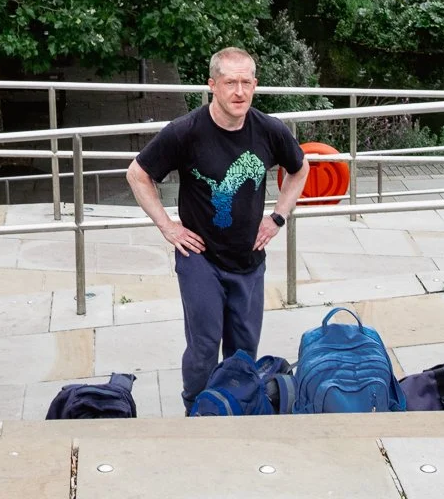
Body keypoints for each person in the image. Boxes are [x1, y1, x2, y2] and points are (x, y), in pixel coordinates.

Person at [126, 47, 310, 413]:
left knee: (244, 349)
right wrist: (168, 227)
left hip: (249, 258)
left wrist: (277, 217)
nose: (239, 92)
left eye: (246, 83)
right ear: (212, 85)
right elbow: (138, 173)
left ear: (255, 85)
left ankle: (237, 404)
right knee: (205, 345)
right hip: (200, 258)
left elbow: (300, 169)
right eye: (230, 83)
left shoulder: (269, 130)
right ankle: (196, 409)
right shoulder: (186, 132)